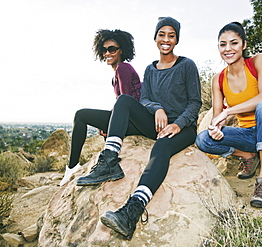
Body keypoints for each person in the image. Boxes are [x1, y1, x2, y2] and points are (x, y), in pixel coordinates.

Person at [76, 17, 202, 239]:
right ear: (155, 38)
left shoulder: (186, 65)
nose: (166, 39)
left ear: (177, 40)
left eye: (171, 35)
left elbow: (195, 103)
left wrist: (178, 124)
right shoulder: (150, 69)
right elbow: (144, 100)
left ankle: (131, 211)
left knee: (161, 148)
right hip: (156, 122)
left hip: (183, 127)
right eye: (161, 34)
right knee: (124, 101)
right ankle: (109, 161)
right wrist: (158, 109)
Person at [195, 22, 262, 208]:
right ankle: (248, 156)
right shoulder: (218, 79)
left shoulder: (258, 61)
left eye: (234, 43)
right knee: (203, 139)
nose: (228, 49)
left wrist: (228, 111)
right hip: (249, 137)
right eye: (223, 44)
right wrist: (216, 128)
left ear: (244, 45)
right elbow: (217, 117)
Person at [59, 29, 141, 186]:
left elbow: (127, 100)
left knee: (81, 115)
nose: (107, 53)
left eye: (112, 49)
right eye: (104, 50)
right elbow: (120, 104)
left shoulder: (123, 68)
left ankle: (72, 167)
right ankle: (72, 167)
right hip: (130, 120)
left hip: (135, 122)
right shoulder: (116, 73)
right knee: (82, 116)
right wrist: (109, 123)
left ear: (122, 50)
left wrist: (112, 124)